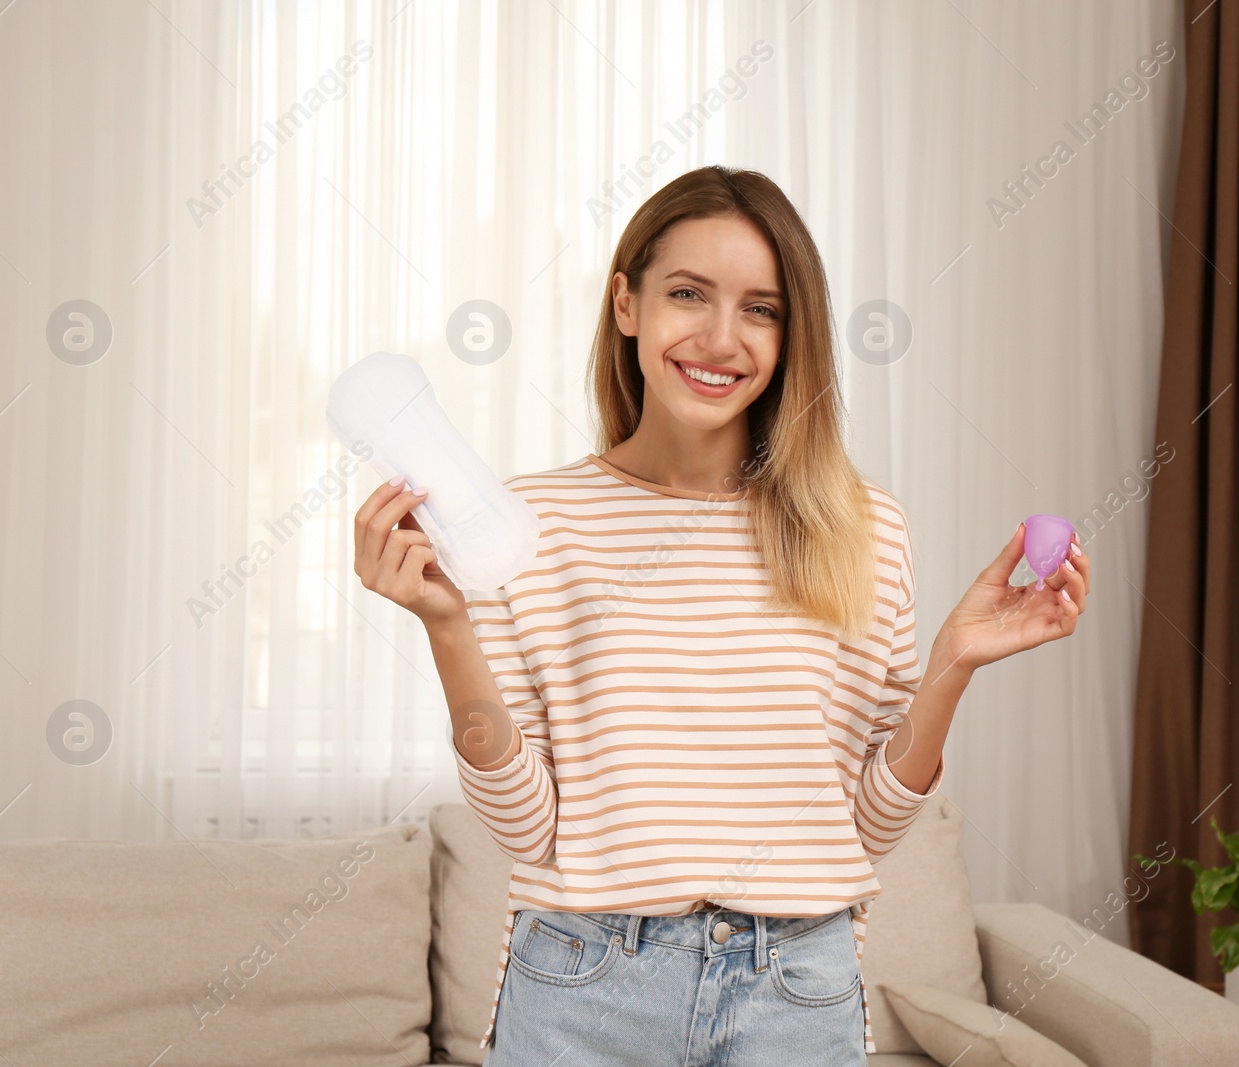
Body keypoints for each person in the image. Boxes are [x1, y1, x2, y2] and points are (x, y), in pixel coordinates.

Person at [353, 164, 1090, 1067]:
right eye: (687, 294)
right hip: (583, 989)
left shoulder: (862, 530)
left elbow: (866, 828)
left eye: (762, 308)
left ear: (792, 335)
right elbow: (527, 829)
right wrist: (447, 627)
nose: (720, 337)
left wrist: (953, 660)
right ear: (627, 302)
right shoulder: (526, 527)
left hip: (797, 991)